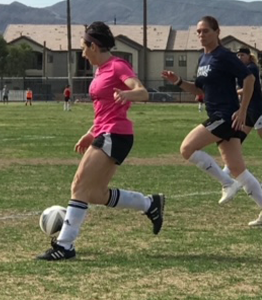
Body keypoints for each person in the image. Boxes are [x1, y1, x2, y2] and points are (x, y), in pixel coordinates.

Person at [36, 21, 165, 261]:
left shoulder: (118, 65)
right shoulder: (99, 70)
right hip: (106, 132)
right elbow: (103, 111)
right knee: (94, 194)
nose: (82, 53)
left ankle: (65, 246)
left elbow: (142, 91)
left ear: (93, 46)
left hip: (116, 134)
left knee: (79, 186)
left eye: (84, 48)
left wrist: (128, 93)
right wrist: (91, 132)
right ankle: (150, 204)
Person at [162, 16, 262, 223]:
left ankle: (226, 183)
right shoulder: (203, 59)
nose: (201, 35)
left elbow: (250, 78)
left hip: (225, 116)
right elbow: (199, 89)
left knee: (186, 148)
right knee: (238, 168)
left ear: (217, 32)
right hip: (220, 115)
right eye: (198, 31)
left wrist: (243, 110)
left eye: (206, 31)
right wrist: (179, 81)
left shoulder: (224, 56)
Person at [221, 47, 262, 226]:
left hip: (258, 110)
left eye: (242, 54)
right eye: (237, 55)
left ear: (249, 56)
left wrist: (229, 92)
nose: (239, 57)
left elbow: (248, 87)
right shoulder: (241, 70)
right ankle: (228, 170)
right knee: (237, 138)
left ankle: (228, 172)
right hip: (249, 112)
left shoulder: (251, 68)